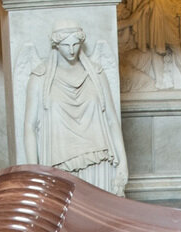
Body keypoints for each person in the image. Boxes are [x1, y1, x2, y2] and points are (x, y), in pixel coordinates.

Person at [22, 25, 129, 196]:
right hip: (60, 165)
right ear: (56, 45)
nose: (71, 50)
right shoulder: (40, 78)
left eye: (75, 44)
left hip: (98, 161)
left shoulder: (96, 73)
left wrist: (123, 163)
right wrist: (34, 171)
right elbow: (29, 127)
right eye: (66, 45)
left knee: (100, 218)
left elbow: (111, 120)